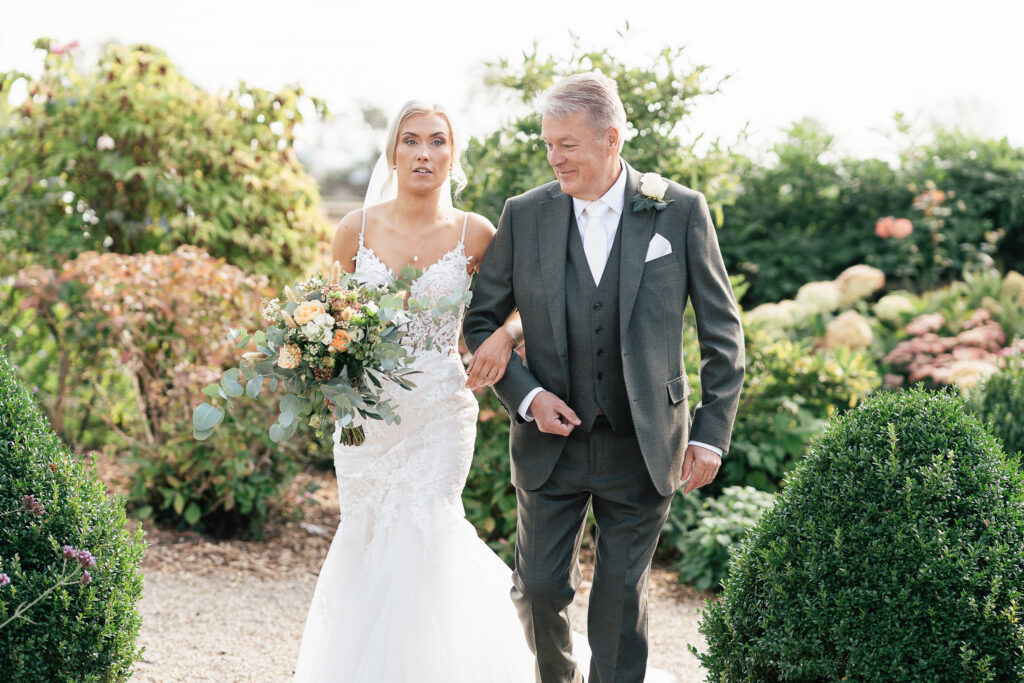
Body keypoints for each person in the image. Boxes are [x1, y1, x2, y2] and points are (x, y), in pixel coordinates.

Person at [463, 72, 745, 683]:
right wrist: (528, 395)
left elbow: (723, 335)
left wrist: (709, 434)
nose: (554, 158)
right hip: (549, 444)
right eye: (547, 144)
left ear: (611, 139)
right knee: (538, 588)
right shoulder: (526, 214)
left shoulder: (679, 211)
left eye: (567, 144)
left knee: (618, 603)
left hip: (642, 442)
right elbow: (481, 318)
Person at [292, 100, 533, 682]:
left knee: (425, 527)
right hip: (368, 416)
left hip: (440, 411)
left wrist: (502, 336)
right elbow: (329, 317)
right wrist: (325, 373)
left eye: (437, 141)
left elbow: (529, 304)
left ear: (454, 155)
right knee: (368, 533)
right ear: (392, 153)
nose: (424, 153)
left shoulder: (477, 232)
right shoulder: (356, 229)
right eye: (411, 141)